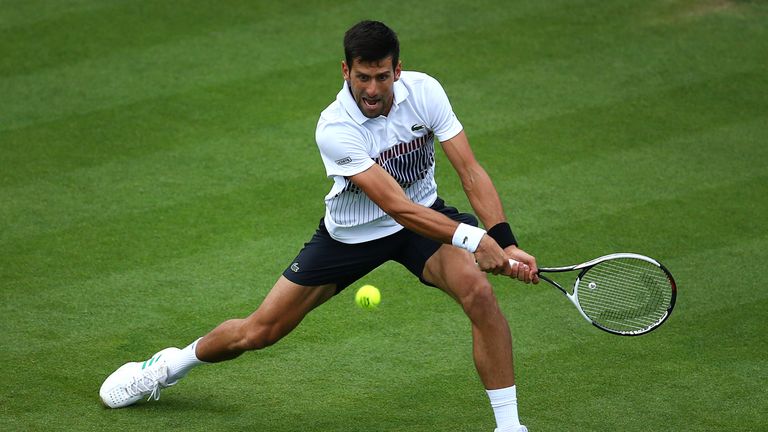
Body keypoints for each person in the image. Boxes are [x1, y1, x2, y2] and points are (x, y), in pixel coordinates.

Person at [99, 20, 539, 432]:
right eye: (362, 77)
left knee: (479, 295)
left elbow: (469, 169)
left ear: (397, 71)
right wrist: (472, 237)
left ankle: (509, 427)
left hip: (424, 221)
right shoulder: (335, 126)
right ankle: (168, 366)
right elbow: (393, 205)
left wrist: (503, 239)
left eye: (382, 77)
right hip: (352, 236)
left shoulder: (426, 92)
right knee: (259, 332)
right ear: (345, 71)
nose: (372, 88)